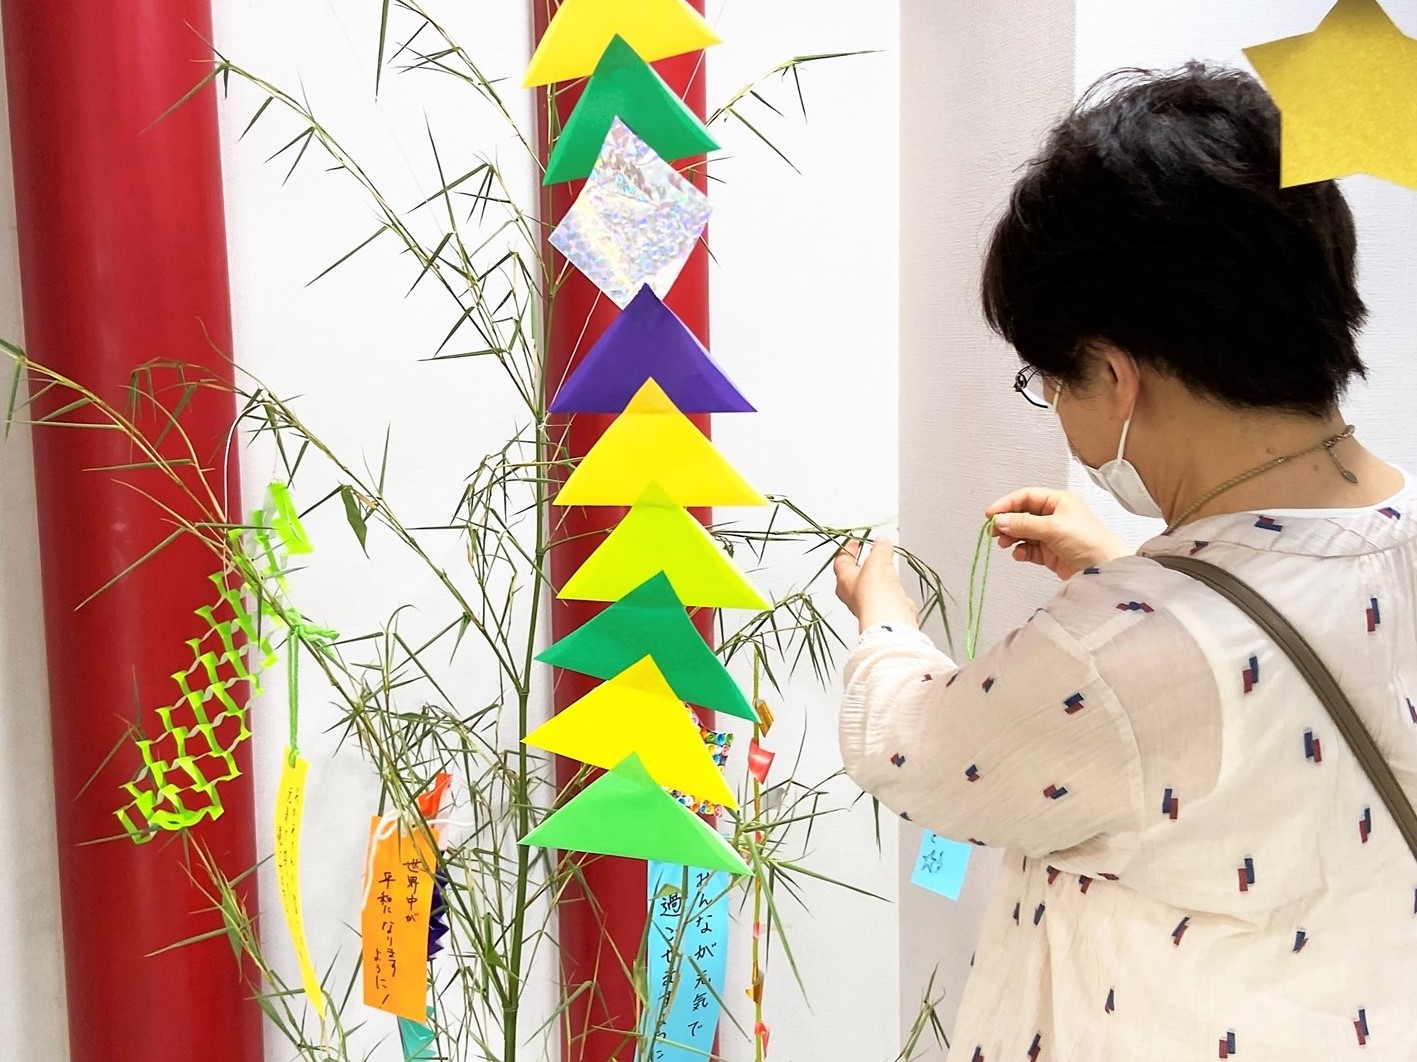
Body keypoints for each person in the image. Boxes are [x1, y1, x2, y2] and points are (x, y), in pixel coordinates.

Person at [835, 64, 1417, 1061]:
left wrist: (881, 614)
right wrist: (1136, 568)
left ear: (1112, 373)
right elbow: (1282, 658)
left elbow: (912, 748)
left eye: (1045, 378)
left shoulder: (1114, 660)